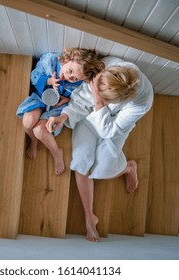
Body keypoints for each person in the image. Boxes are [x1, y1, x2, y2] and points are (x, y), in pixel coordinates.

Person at [46, 56, 154, 242]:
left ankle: (128, 167)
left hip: (113, 127)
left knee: (101, 170)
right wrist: (64, 117)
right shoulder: (109, 66)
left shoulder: (141, 103)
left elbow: (109, 130)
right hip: (90, 116)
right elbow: (81, 100)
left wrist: (98, 102)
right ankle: (90, 217)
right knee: (80, 164)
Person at [16, 48, 104, 175]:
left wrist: (67, 99)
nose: (70, 77)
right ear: (68, 59)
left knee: (39, 130)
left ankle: (57, 153)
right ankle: (33, 141)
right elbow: (34, 77)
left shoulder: (80, 83)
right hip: (40, 98)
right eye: (70, 71)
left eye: (75, 78)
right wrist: (49, 81)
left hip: (58, 106)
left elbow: (77, 100)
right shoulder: (50, 60)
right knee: (28, 121)